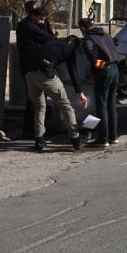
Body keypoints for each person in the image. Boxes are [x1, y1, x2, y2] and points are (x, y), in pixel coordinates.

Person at [24, 8, 88, 151]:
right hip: (45, 75)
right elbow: (73, 72)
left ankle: (39, 140)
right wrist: (80, 93)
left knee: (40, 107)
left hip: (29, 74)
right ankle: (76, 139)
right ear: (76, 46)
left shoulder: (55, 43)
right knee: (66, 106)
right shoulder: (70, 50)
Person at [79, 18, 120, 147]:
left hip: (105, 72)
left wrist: (98, 66)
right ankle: (113, 136)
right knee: (111, 105)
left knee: (101, 106)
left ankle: (103, 138)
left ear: (83, 28)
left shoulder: (88, 39)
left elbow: (91, 55)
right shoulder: (106, 35)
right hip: (116, 69)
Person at [16, 1, 55, 137]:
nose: (41, 20)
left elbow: (49, 36)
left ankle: (38, 129)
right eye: (35, 12)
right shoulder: (25, 25)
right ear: (29, 12)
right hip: (30, 66)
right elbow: (46, 37)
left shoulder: (42, 22)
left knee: (39, 99)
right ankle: (30, 130)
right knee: (34, 99)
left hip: (41, 64)